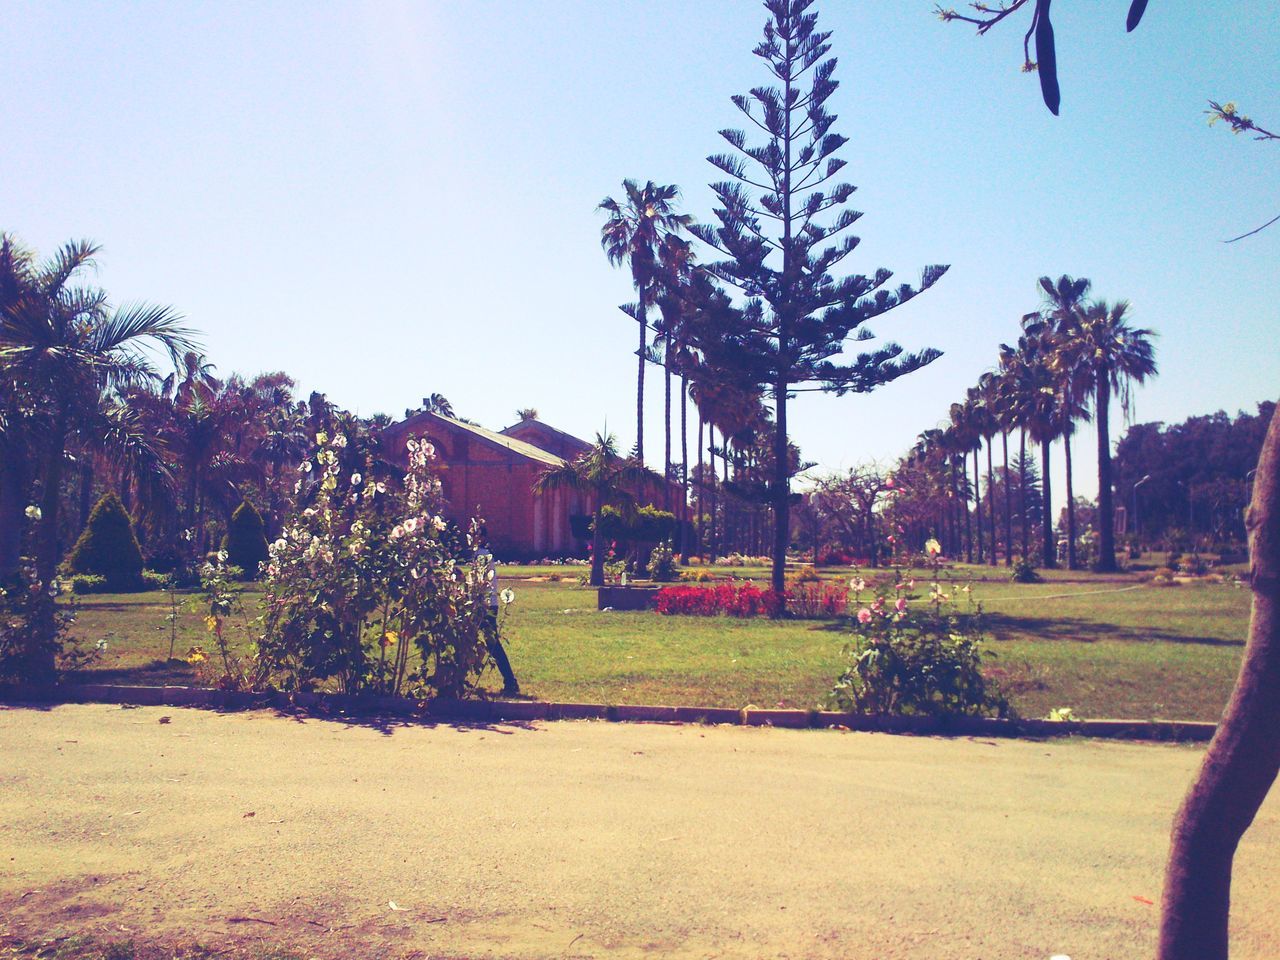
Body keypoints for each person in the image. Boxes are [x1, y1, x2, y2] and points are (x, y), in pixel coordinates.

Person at [474, 526, 520, 696]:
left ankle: (510, 681)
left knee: (491, 644)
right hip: (488, 604)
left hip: (484, 606)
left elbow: (480, 582)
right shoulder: (484, 554)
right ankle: (510, 681)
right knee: (485, 643)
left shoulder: (481, 555)